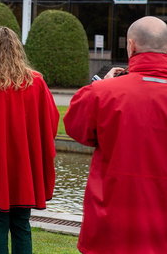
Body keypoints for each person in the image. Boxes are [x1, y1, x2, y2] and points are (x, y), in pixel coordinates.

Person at [65, 16, 167, 254]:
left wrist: (99, 87)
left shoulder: (103, 93)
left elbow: (77, 129)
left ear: (131, 46)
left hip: (111, 222)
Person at [0, 26, 59, 254]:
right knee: (21, 226)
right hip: (25, 169)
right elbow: (52, 122)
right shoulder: (36, 83)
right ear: (18, 50)